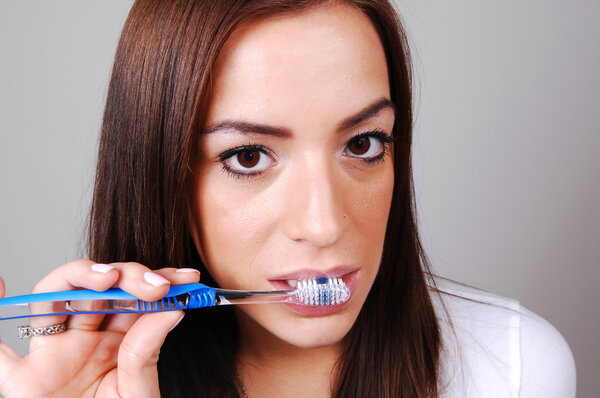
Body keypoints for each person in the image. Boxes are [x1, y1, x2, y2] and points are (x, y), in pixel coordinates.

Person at [0, 0, 576, 397]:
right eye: (248, 156)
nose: (324, 224)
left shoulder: (513, 369)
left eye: (363, 143)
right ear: (160, 173)